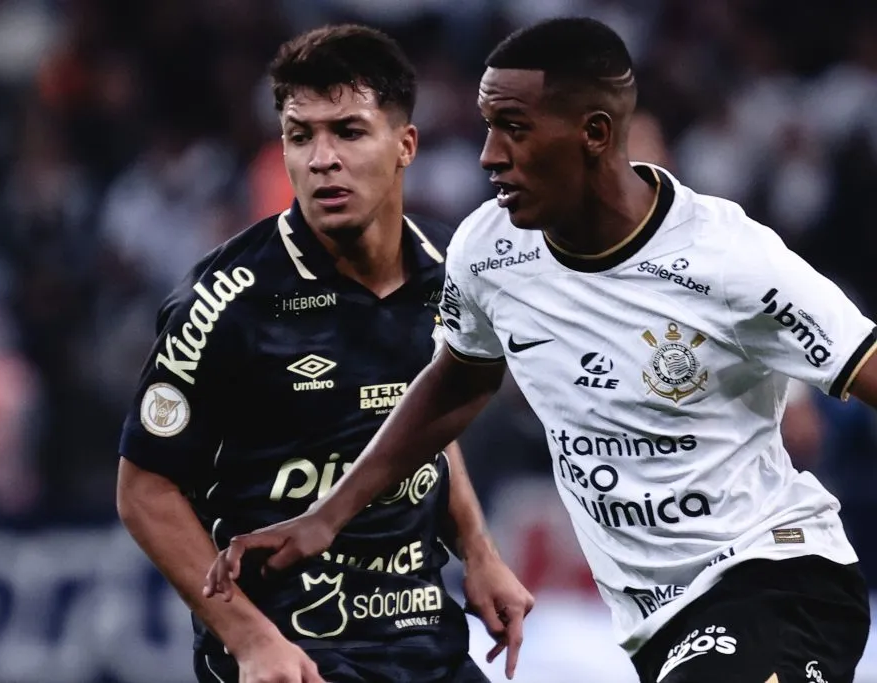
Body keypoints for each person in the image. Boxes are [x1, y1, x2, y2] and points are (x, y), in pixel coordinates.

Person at [206, 17, 877, 683]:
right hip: (662, 626)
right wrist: (328, 516)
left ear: (594, 135)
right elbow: (458, 381)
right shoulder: (491, 250)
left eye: (514, 128)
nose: (489, 154)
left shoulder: (727, 258)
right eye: (488, 126)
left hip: (779, 580)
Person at [116, 24, 532, 683]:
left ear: (405, 145)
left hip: (426, 642)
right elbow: (145, 489)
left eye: (348, 131)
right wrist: (251, 639)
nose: (320, 159)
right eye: (299, 134)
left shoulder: (451, 274)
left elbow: (422, 415)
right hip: (298, 657)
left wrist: (478, 549)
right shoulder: (227, 302)